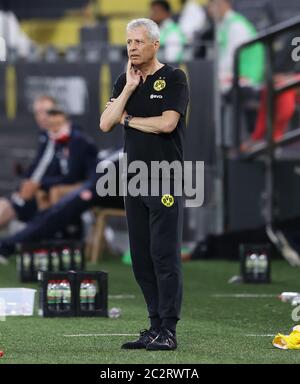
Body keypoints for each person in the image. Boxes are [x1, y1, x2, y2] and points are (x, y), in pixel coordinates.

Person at [100, 18, 189, 351]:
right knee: (140, 257)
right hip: (133, 180)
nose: (132, 48)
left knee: (164, 255)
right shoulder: (125, 80)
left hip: (165, 177)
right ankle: (154, 326)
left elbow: (167, 124)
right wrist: (127, 90)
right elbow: (106, 122)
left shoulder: (175, 78)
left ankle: (169, 329)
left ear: (155, 44)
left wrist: (129, 119)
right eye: (128, 43)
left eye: (138, 42)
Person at [0, 95, 57, 228]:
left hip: (45, 197)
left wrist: (34, 186)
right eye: (38, 113)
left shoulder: (58, 137)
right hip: (34, 194)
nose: (42, 117)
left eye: (46, 112)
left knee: (4, 208)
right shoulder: (45, 136)